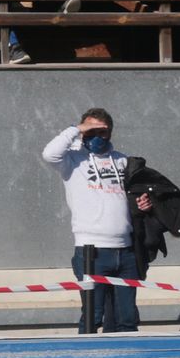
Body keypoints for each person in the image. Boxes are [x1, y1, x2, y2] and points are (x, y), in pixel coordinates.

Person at [41, 107, 152, 333]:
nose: (96, 137)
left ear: (110, 133)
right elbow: (49, 153)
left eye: (102, 132)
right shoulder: (72, 159)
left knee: (127, 318)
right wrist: (77, 129)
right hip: (92, 252)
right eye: (91, 132)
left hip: (126, 250)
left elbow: (133, 197)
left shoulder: (121, 160)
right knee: (93, 315)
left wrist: (142, 205)